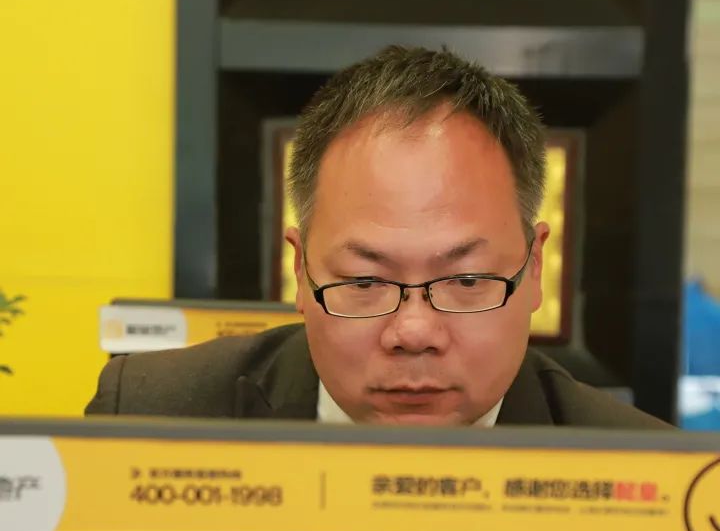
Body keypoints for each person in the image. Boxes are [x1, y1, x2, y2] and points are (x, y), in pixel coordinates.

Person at [86, 45, 668, 429]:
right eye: (365, 282)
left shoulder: (647, 475)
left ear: (535, 268)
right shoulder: (151, 418)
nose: (413, 333)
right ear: (301, 271)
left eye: (467, 280)